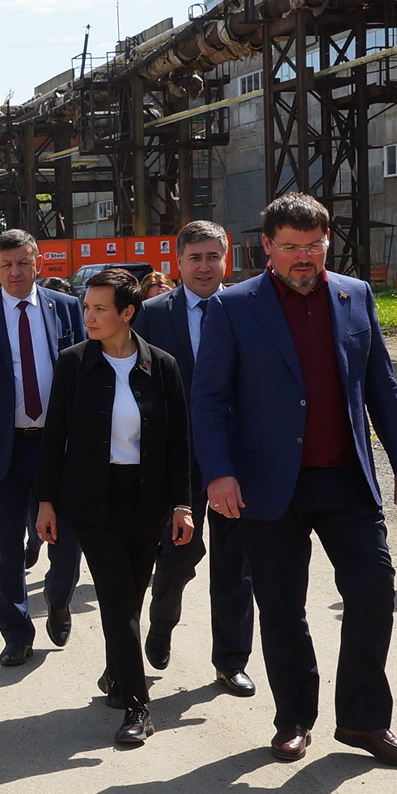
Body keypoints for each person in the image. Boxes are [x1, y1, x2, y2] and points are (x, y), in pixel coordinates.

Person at [192, 193, 397, 769]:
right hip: (267, 484)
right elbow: (209, 400)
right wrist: (218, 474)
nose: (304, 257)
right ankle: (294, 718)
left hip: (346, 477)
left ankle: (363, 720)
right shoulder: (233, 306)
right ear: (266, 247)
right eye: (292, 246)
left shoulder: (355, 295)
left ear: (327, 243)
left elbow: (381, 387)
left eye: (314, 245)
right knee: (281, 607)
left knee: (373, 592)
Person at [36, 268, 193, 748]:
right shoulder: (73, 363)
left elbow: (179, 442)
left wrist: (182, 504)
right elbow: (54, 437)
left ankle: (116, 670)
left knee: (132, 594)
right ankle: (137, 706)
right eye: (87, 307)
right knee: (117, 598)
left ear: (127, 313)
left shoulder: (162, 365)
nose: (89, 316)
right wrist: (45, 502)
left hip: (147, 498)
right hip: (91, 499)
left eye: (100, 309)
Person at [0, 230, 86, 664]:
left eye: (23, 263)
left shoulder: (65, 307)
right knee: (8, 547)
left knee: (66, 536)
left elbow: (83, 370)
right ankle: (16, 633)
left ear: (38, 264)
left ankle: (59, 598)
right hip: (3, 447)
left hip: (58, 444)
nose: (15, 272)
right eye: (6, 265)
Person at [137, 220, 256, 696]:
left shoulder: (248, 308)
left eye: (213, 257)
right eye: (195, 258)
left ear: (226, 259)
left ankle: (231, 660)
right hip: (176, 458)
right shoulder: (151, 314)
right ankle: (162, 619)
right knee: (176, 554)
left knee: (236, 564)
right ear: (178, 263)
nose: (204, 267)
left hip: (235, 456)